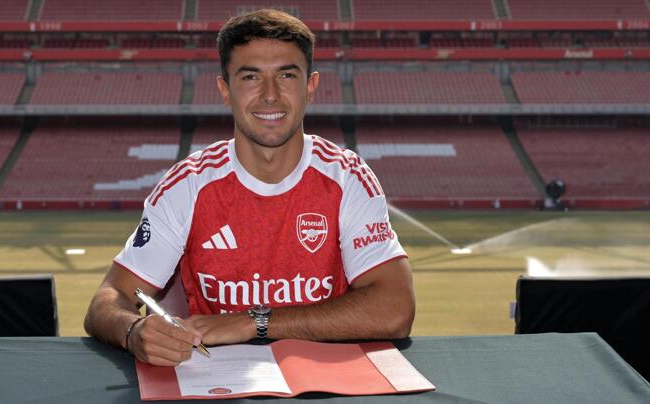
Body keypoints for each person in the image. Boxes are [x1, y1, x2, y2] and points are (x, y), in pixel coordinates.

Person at [84, 9, 415, 367]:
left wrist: (254, 322)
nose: (270, 95)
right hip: (216, 378)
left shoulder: (347, 177)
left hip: (325, 381)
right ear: (225, 90)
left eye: (286, 75)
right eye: (251, 77)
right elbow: (108, 298)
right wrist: (133, 331)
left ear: (310, 86)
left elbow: (396, 309)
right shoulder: (188, 185)